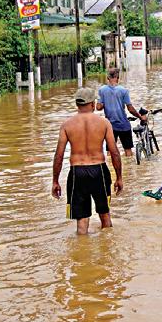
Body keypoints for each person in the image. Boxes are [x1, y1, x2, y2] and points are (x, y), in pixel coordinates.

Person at [52, 87, 124, 235]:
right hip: (99, 172)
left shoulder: (67, 125)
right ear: (93, 104)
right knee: (105, 215)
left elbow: (58, 156)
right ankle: (108, 252)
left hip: (77, 172)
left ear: (77, 104)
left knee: (82, 220)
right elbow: (115, 153)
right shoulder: (104, 123)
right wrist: (119, 178)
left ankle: (82, 255)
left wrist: (55, 181)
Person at [96, 67, 145, 157]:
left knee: (110, 151)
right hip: (123, 125)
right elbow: (130, 109)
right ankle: (130, 169)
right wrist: (140, 117)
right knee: (128, 150)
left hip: (109, 126)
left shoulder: (102, 90)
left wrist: (105, 103)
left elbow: (98, 107)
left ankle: (111, 169)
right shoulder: (124, 91)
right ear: (118, 77)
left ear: (107, 78)